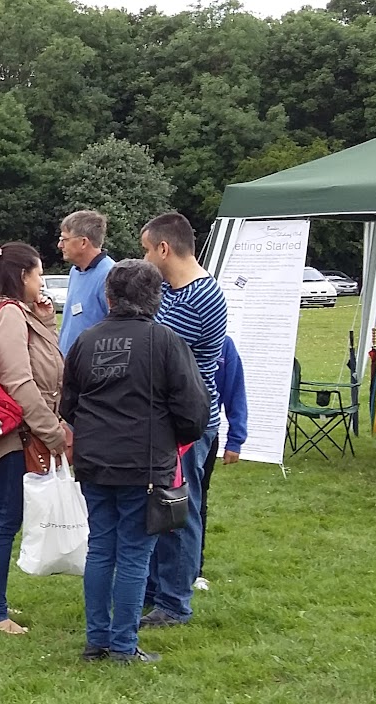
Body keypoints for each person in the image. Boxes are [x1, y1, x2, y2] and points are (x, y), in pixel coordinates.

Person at [61, 258, 210, 664]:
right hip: (144, 465)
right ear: (156, 299)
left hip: (95, 462)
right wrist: (172, 439)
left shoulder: (85, 341)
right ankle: (123, 645)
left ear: (109, 298)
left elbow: (68, 404)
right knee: (132, 555)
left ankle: (98, 641)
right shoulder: (165, 341)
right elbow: (194, 409)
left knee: (100, 550)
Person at [0, 243, 67, 634]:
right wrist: (52, 432)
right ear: (22, 276)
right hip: (11, 433)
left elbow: (41, 358)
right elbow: (19, 380)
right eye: (38, 275)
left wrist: (45, 320)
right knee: (3, 520)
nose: (41, 282)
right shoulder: (9, 315)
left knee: (0, 518)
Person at [138, 212, 229, 630]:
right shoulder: (174, 290)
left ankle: (174, 602)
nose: (144, 259)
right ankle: (155, 590)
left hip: (187, 425)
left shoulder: (201, 296)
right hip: (166, 421)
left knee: (180, 511)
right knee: (159, 508)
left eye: (146, 250)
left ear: (163, 248)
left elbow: (153, 348)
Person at [196, 334, 247, 590]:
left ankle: (195, 568)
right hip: (166, 434)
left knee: (197, 502)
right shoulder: (165, 338)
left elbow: (235, 389)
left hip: (205, 433)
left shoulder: (223, 345)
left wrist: (235, 439)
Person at [56, 210, 114, 356]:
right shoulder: (75, 271)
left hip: (92, 370)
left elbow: (119, 330)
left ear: (83, 242)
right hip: (70, 368)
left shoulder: (111, 275)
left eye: (64, 239)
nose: (59, 245)